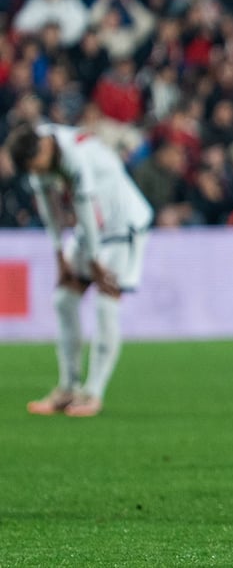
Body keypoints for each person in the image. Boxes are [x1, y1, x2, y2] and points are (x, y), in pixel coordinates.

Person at [4, 123, 154, 417]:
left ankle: (93, 393)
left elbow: (84, 204)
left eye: (36, 166)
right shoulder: (36, 146)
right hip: (92, 230)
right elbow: (48, 205)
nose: (37, 172)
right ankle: (68, 387)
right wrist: (58, 252)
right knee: (63, 299)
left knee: (106, 302)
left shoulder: (74, 154)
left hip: (123, 225)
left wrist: (95, 260)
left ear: (44, 149)